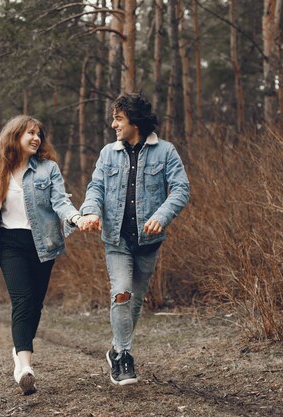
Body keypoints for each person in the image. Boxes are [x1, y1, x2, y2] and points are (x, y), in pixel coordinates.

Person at [77, 93, 190, 385]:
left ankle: (116, 349)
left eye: (119, 118)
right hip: (116, 239)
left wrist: (161, 216)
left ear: (134, 122)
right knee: (122, 292)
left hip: (148, 242)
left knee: (135, 302)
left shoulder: (166, 152)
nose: (113, 124)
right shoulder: (107, 154)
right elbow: (95, 188)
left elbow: (180, 190)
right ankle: (125, 357)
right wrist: (90, 212)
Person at [0, 115, 81, 395]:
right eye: (30, 133)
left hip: (43, 243)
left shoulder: (49, 169)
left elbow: (61, 201)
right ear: (15, 136)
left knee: (35, 304)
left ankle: (18, 347)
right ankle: (25, 366)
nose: (36, 138)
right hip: (10, 243)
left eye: (39, 134)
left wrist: (75, 217)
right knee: (22, 300)